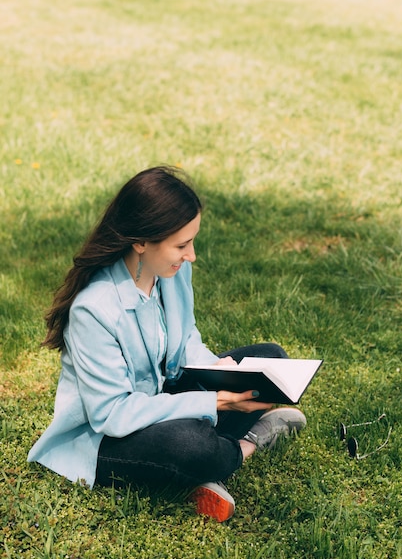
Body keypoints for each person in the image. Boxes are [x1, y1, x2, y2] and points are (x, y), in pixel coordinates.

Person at [28, 165, 306, 522]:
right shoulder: (93, 310)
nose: (191, 255)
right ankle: (247, 444)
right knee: (191, 444)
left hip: (161, 396)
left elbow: (186, 337)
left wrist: (220, 371)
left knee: (269, 359)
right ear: (141, 242)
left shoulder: (171, 272)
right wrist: (213, 401)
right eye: (181, 245)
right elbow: (112, 415)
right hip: (105, 438)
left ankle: (207, 467)